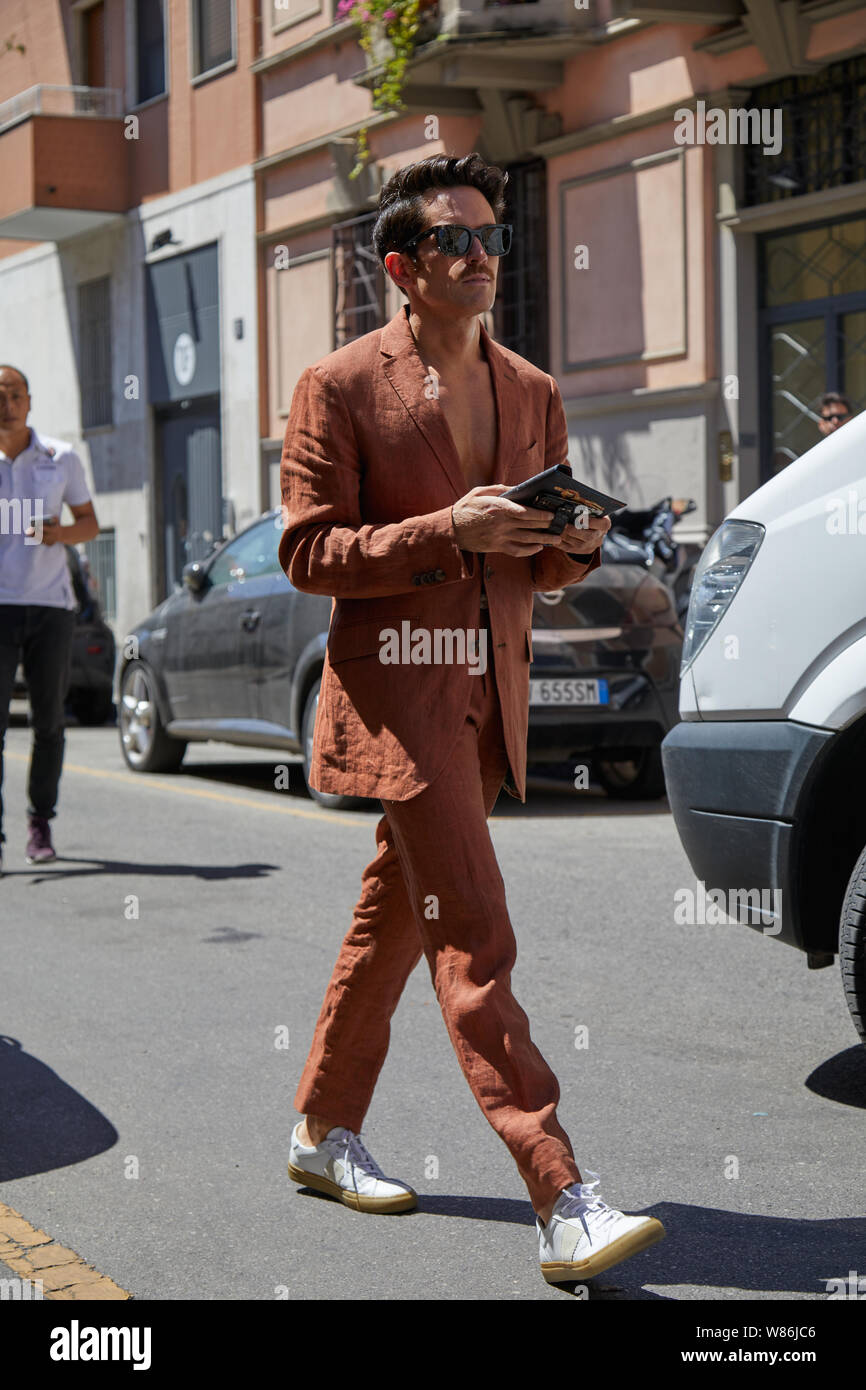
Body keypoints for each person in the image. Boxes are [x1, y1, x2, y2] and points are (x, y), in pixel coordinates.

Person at [278, 153, 666, 1285]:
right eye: (456, 240)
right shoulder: (339, 384)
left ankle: (316, 1132)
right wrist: (446, 529)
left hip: (486, 692)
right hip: (399, 696)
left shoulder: (533, 388)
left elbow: (534, 571)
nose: (482, 255)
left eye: (494, 238)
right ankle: (560, 1189)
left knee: (391, 920)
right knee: (473, 938)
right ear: (402, 267)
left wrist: (571, 542)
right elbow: (310, 551)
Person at [0, 365, 99, 873]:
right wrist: (22, 522)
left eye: (15, 394)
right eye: (0, 396)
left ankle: (40, 822)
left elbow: (89, 523)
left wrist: (59, 535)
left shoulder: (61, 458)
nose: (7, 404)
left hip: (50, 608)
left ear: (30, 402)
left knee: (49, 723)